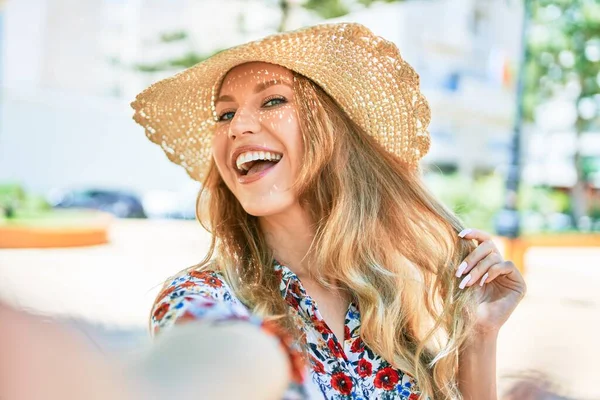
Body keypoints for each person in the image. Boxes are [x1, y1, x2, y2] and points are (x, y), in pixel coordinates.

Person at [130, 22, 527, 399]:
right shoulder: (202, 297)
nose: (237, 127)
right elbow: (201, 356)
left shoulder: (382, 302)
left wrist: (478, 336)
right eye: (225, 114)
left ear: (330, 131)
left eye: (272, 100)